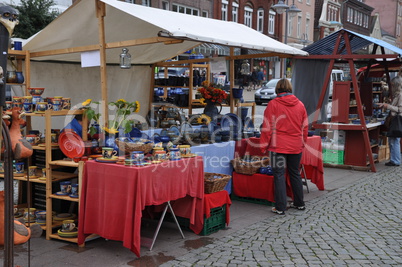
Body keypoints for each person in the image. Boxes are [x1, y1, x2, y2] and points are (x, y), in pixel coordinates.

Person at [259, 78, 308, 215]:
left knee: (279, 175)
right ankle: (299, 203)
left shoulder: (273, 104)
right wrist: (303, 142)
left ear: (277, 89)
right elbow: (305, 127)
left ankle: (280, 207)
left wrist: (263, 146)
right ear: (290, 88)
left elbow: (267, 127)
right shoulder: (300, 104)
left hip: (278, 146)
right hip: (295, 145)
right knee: (295, 173)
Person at [377, 75, 402, 166]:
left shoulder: (400, 95)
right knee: (393, 140)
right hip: (395, 119)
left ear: (396, 85)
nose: (391, 87)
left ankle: (395, 160)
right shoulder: (397, 95)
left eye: (392, 85)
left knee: (394, 140)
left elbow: (400, 109)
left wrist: (388, 106)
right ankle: (394, 159)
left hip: (397, 119)